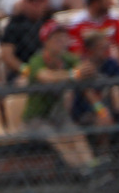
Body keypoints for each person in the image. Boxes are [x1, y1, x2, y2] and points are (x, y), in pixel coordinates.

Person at [22, 21, 101, 175]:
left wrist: (88, 70)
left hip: (59, 114)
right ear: (46, 42)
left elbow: (86, 70)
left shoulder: (68, 58)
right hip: (36, 118)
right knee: (59, 140)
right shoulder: (37, 60)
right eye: (57, 39)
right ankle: (83, 172)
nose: (62, 42)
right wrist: (74, 74)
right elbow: (45, 76)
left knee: (76, 135)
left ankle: (92, 167)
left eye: (64, 38)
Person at [0, 0, 49, 81]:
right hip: (23, 72)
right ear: (23, 3)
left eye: (40, 0)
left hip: (49, 69)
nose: (36, 3)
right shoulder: (15, 24)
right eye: (31, 0)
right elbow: (7, 56)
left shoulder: (50, 22)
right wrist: (28, 71)